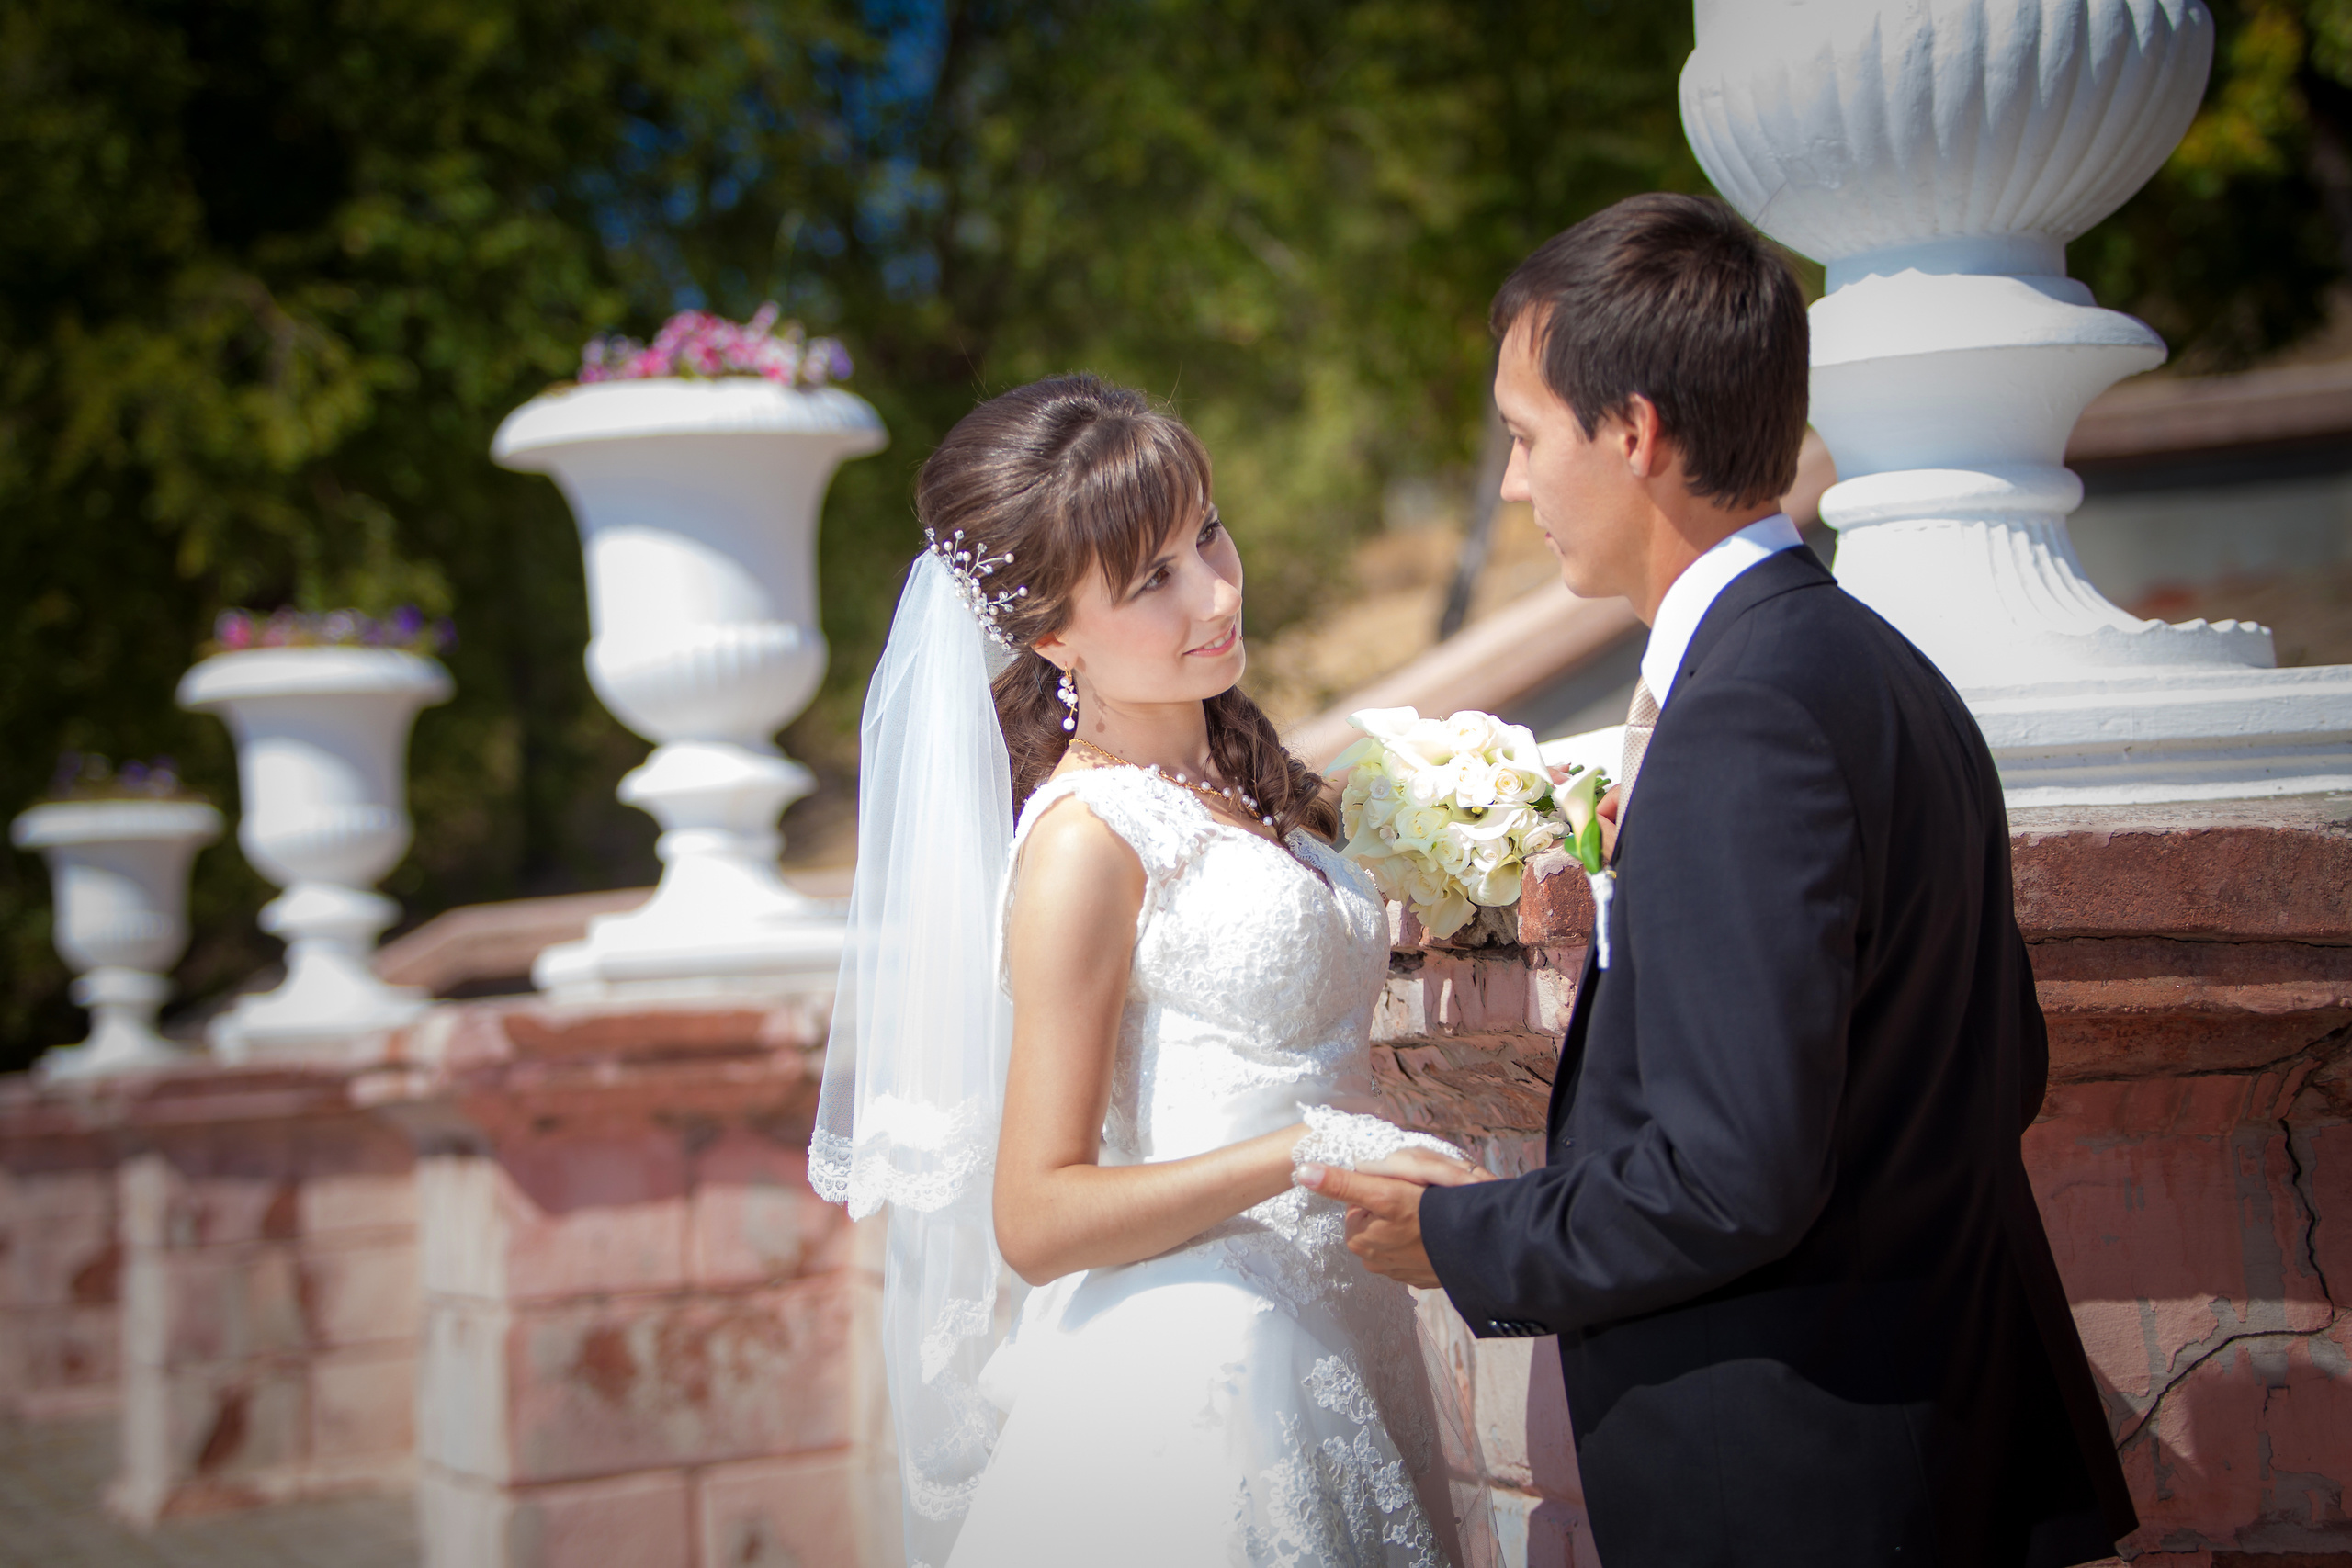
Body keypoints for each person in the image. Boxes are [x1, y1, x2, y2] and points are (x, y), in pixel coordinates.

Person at [1302, 194, 2140, 1567]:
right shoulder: (1885, 670)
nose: (1515, 487)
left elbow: (1732, 1174)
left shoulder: (1745, 718)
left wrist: (1461, 1237)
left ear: (1631, 433)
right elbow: (2004, 1063)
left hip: (1808, 1485)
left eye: (1524, 438)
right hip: (1933, 1450)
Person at [813, 375, 1494, 1568]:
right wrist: (1306, 1149)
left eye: (1210, 534)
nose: (1218, 592)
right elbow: (1035, 1217)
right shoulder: (1088, 842)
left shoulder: (1244, 787)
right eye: (1153, 579)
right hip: (1203, 1375)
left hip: (1348, 1330)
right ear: (1049, 631)